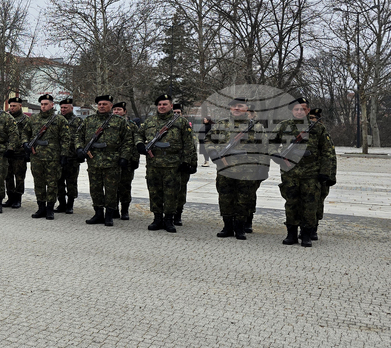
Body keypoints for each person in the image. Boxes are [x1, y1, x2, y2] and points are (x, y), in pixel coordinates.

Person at [270, 98, 337, 247]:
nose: (300, 112)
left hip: (311, 173)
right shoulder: (284, 126)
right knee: (291, 203)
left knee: (310, 204)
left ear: (308, 110)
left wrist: (325, 172)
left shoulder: (318, 128)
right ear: (292, 111)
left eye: (303, 109)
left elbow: (327, 151)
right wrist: (277, 157)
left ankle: (306, 234)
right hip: (290, 172)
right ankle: (291, 234)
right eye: (296, 109)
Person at [206, 98, 268, 240]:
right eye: (234, 106)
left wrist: (263, 168)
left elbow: (264, 149)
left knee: (244, 199)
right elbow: (209, 140)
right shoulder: (221, 125)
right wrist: (214, 152)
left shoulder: (256, 127)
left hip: (248, 171)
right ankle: (227, 226)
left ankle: (240, 228)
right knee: (225, 198)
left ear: (246, 108)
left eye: (240, 106)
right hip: (225, 168)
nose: (237, 108)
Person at [139, 94, 197, 233]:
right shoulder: (149, 122)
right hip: (154, 164)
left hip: (173, 164)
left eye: (165, 104)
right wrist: (139, 144)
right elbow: (138, 135)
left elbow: (189, 144)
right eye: (159, 104)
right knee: (154, 192)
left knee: (171, 193)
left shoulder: (181, 122)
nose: (162, 107)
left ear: (171, 105)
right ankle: (157, 218)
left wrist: (188, 162)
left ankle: (169, 219)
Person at [77, 95, 134, 226]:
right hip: (94, 160)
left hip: (112, 161)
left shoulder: (119, 122)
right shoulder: (89, 120)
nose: (101, 106)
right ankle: (98, 213)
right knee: (95, 188)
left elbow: (128, 141)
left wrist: (124, 157)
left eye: (105, 104)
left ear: (111, 106)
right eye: (100, 104)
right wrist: (79, 148)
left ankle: (109, 215)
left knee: (111, 190)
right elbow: (78, 135)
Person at [25, 93, 72, 220]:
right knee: (39, 183)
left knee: (52, 184)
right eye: (42, 104)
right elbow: (25, 132)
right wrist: (25, 143)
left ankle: (50, 208)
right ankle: (41, 207)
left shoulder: (60, 120)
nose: (43, 106)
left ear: (52, 105)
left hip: (53, 157)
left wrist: (64, 155)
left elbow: (66, 139)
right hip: (37, 156)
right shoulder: (33, 119)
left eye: (46, 104)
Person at [112, 102, 142, 220]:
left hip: (127, 162)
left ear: (125, 112)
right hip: (112, 161)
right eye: (114, 109)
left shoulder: (132, 126)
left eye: (119, 109)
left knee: (125, 187)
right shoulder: (108, 125)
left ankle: (124, 210)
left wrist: (135, 159)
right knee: (112, 186)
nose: (116, 112)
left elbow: (135, 144)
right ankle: (113, 209)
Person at [3, 97, 32, 209]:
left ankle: (18, 198)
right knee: (8, 176)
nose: (12, 108)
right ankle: (10, 197)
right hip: (8, 152)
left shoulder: (26, 120)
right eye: (11, 106)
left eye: (14, 106)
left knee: (19, 177)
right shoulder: (6, 118)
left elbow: (28, 135)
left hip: (19, 153)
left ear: (20, 106)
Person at [56, 98, 83, 214]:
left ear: (71, 108)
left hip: (72, 157)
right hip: (58, 156)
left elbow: (82, 138)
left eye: (65, 108)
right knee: (58, 181)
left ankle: (70, 204)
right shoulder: (56, 120)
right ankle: (61, 204)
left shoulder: (78, 122)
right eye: (61, 107)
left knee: (71, 182)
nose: (63, 110)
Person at [311, 109, 333, 240]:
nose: (311, 120)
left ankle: (314, 228)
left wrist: (330, 176)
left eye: (313, 118)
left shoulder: (323, 133)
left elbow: (330, 157)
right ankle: (306, 228)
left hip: (322, 174)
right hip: (311, 173)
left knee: (318, 202)